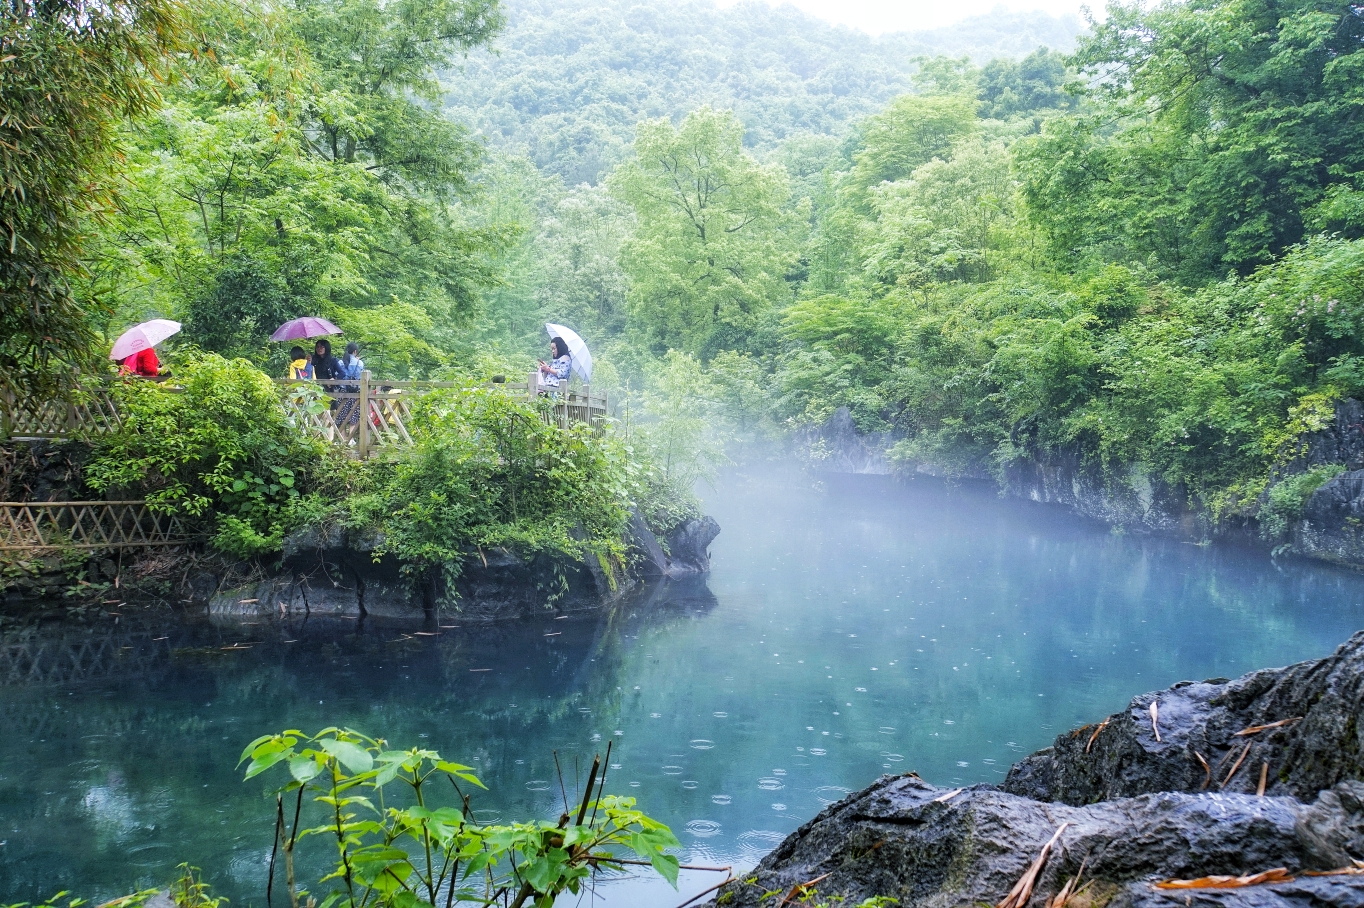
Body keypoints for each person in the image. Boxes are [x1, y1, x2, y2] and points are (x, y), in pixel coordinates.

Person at [336, 342, 365, 427]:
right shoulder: (360, 363)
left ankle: (343, 438)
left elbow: (337, 375)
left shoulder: (341, 362)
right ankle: (350, 439)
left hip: (343, 392)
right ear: (355, 351)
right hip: (356, 392)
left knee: (341, 417)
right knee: (354, 418)